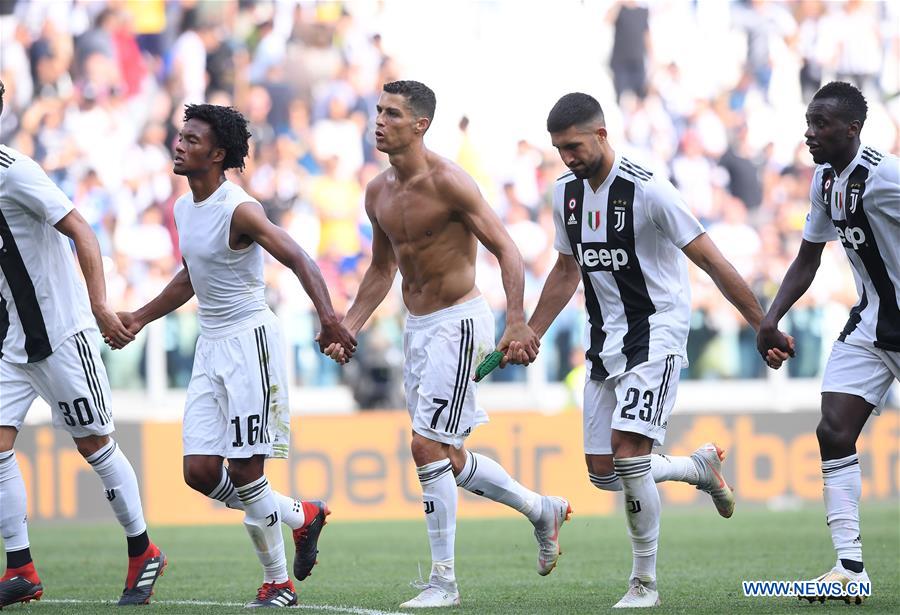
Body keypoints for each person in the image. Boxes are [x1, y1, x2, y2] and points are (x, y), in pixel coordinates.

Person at [516, 92, 792, 608]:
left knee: (628, 454)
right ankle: (697, 468)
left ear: (601, 134)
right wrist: (532, 329)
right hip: (604, 342)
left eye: (574, 146)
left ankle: (644, 583)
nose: (567, 158)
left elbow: (711, 260)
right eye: (559, 150)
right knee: (604, 472)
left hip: (656, 335)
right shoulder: (564, 195)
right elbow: (566, 269)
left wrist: (763, 324)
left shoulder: (649, 190)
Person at [322, 80, 569, 609]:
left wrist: (516, 321)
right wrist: (351, 325)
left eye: (392, 114)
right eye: (378, 111)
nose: (379, 121)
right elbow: (382, 268)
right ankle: (541, 510)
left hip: (459, 323)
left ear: (421, 125)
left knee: (425, 446)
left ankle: (444, 583)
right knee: (448, 456)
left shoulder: (451, 182)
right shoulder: (377, 192)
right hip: (417, 327)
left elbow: (507, 250)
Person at [113, 103, 357, 608]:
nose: (180, 145)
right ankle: (301, 515)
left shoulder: (240, 208)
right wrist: (139, 317)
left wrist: (329, 318)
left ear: (218, 154)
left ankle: (278, 583)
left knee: (247, 472)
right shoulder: (184, 209)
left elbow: (298, 256)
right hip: (210, 346)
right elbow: (192, 276)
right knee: (200, 472)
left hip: (250, 343)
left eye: (192, 140)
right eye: (181, 136)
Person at [0, 79, 165, 608]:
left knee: (94, 444)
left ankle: (143, 551)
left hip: (62, 333)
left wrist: (99, 307)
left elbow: (83, 231)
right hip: (14, 341)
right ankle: (20, 568)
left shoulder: (14, 172)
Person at [757, 81, 899, 604]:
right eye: (808, 123)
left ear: (852, 129)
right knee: (833, 429)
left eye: (821, 125)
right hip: (872, 326)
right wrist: (770, 318)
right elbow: (808, 257)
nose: (809, 133)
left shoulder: (885, 176)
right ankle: (849, 568)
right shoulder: (824, 180)